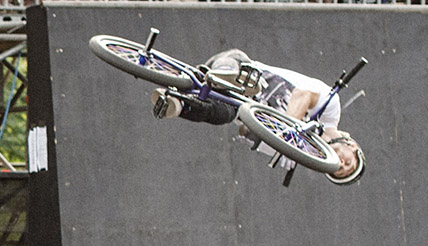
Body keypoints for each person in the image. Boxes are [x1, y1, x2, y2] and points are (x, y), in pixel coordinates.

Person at [151, 49, 365, 185]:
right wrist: (288, 135)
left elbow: (245, 129)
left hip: (231, 101)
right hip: (242, 70)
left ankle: (176, 104)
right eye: (350, 164)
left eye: (339, 172)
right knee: (236, 75)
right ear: (352, 146)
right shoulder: (330, 109)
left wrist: (274, 144)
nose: (343, 166)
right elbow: (303, 94)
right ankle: (222, 74)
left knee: (222, 115)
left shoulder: (293, 151)